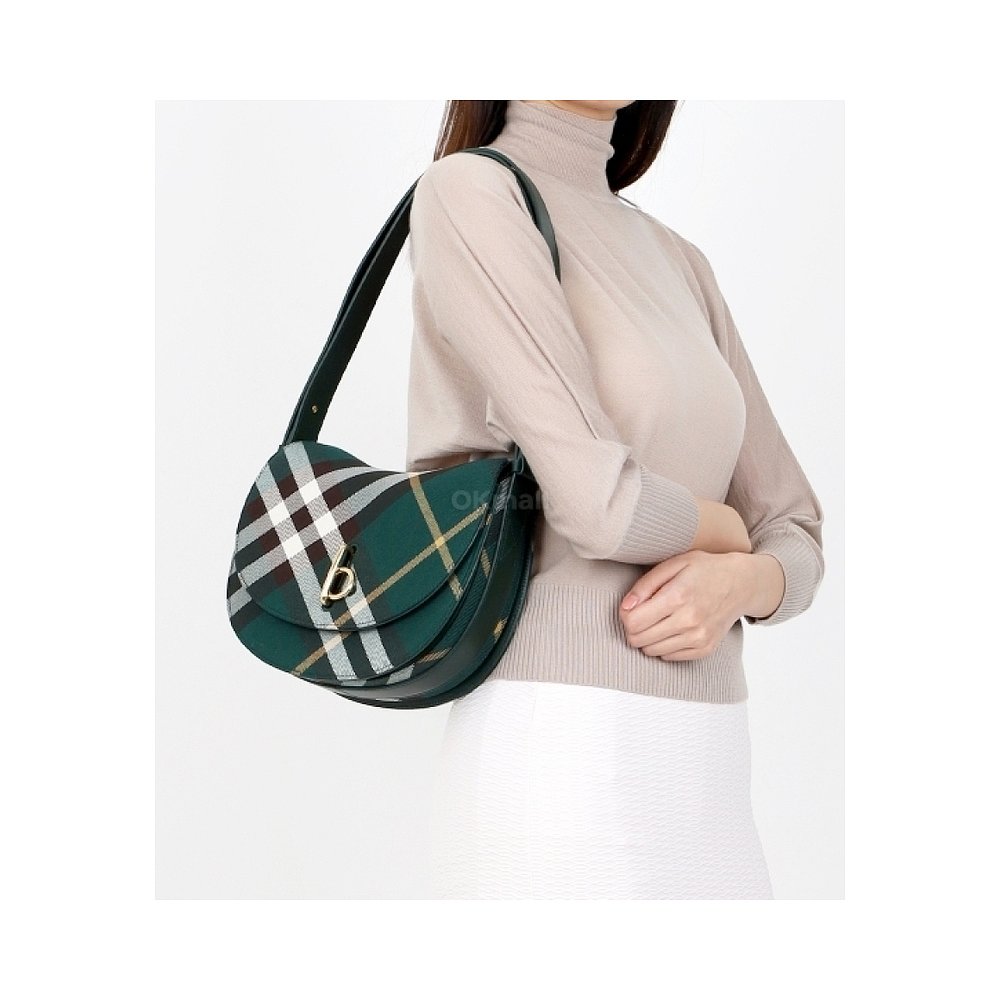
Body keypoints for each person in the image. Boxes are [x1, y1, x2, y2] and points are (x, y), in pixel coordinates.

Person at [405, 99, 825, 899]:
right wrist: (727, 529)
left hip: (711, 769)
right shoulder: (472, 192)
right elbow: (598, 505)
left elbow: (798, 528)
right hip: (561, 751)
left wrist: (742, 581)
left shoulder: (679, 260)